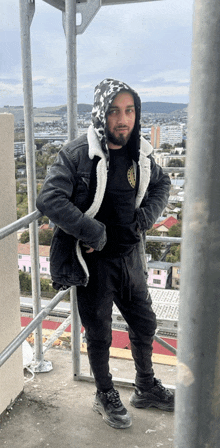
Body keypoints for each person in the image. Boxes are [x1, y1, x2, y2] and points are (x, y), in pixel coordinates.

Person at [36, 78, 174, 429]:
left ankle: (145, 387)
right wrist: (94, 231)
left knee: (145, 323)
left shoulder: (139, 153)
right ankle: (105, 393)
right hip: (92, 262)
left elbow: (162, 183)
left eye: (129, 111)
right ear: (101, 113)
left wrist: (145, 218)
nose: (123, 119)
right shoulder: (77, 153)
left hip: (131, 259)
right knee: (99, 333)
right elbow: (49, 199)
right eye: (115, 111)